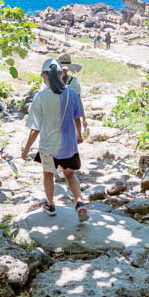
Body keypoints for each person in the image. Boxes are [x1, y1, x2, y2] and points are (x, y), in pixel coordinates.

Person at [21, 58, 89, 221]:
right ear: (61, 74)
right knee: (70, 175)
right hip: (68, 145)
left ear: (43, 76)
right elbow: (77, 118)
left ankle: (51, 205)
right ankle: (79, 203)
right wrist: (79, 136)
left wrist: (26, 150)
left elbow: (35, 128)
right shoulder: (71, 93)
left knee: (48, 174)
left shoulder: (40, 97)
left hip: (48, 147)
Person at [58, 53, 89, 139]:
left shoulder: (52, 81)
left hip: (56, 111)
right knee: (76, 116)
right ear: (69, 68)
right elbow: (79, 101)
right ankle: (78, 137)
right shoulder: (74, 81)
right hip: (70, 111)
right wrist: (84, 119)